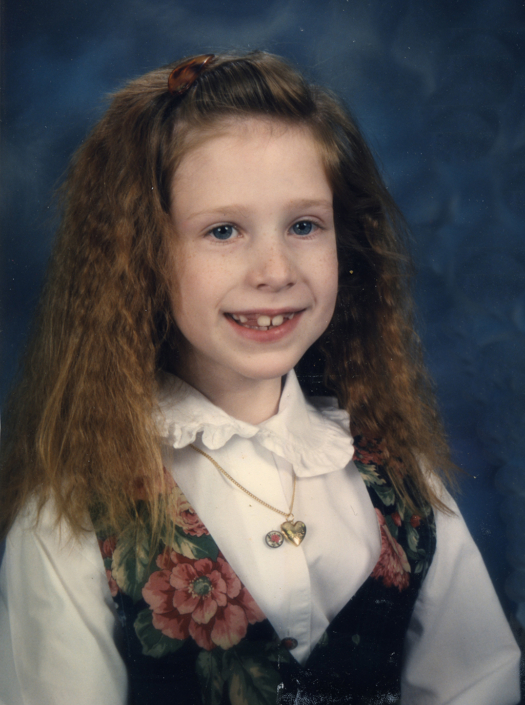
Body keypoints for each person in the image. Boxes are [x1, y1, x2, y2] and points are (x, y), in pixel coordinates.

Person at [0, 51, 520, 705]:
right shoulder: (70, 519)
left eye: (304, 225)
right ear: (140, 256)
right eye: (223, 230)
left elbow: (476, 683)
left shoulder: (405, 481)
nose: (275, 271)